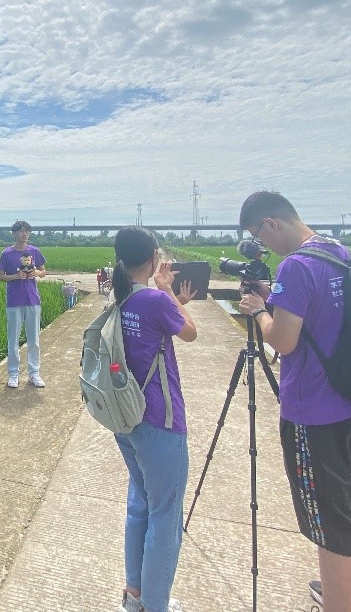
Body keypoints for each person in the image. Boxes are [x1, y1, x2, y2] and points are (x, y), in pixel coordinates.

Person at [235, 192, 351, 612]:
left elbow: (283, 340)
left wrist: (258, 310)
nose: (263, 247)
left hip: (317, 412)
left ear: (270, 224)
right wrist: (276, 296)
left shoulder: (297, 265)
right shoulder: (340, 253)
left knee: (330, 522)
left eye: (259, 236)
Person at [111, 226, 198, 612]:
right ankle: (157, 605)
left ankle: (136, 596)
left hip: (124, 420)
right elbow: (191, 333)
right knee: (165, 514)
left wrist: (165, 294)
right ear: (151, 259)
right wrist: (169, 293)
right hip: (159, 422)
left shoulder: (119, 295)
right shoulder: (153, 299)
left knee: (140, 504)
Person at [0, 220, 47, 388]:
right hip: (14, 301)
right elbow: (0, 276)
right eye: (21, 231)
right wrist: (15, 277)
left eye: (27, 231)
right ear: (14, 234)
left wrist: (36, 273)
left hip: (32, 299)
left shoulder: (35, 251)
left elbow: (43, 271)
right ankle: (13, 373)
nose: (24, 234)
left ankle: (34, 373)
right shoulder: (6, 254)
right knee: (13, 339)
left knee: (34, 339)